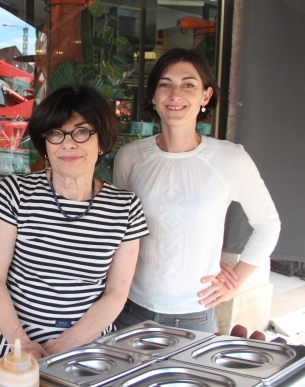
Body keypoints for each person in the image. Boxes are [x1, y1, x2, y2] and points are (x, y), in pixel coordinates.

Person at [113, 48, 281, 333]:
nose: (175, 94)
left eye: (188, 84)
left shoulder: (230, 159)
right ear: (153, 96)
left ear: (206, 95)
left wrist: (235, 282)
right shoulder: (130, 157)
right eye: (165, 84)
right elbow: (116, 230)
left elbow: (268, 225)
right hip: (129, 311)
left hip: (194, 316)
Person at [0, 85, 149, 362]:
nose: (68, 144)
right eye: (56, 133)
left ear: (102, 142)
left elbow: (116, 292)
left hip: (88, 342)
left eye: (82, 132)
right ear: (45, 144)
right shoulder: (15, 192)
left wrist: (66, 345)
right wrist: (23, 344)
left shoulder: (126, 207)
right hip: (14, 340)